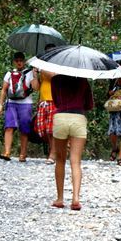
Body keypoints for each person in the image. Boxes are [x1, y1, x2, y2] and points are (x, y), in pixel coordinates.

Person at [45, 72, 93, 211]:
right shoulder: (83, 80)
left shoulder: (55, 80)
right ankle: (76, 199)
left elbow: (56, 102)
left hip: (61, 117)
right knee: (75, 161)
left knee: (60, 159)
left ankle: (60, 199)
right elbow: (89, 104)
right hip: (78, 118)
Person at [0, 52, 39, 162]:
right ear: (14, 62)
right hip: (11, 103)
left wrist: (35, 74)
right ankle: (7, 152)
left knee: (24, 129)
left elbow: (35, 88)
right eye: (17, 60)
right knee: (9, 127)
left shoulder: (30, 73)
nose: (19, 62)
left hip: (26, 104)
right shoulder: (9, 74)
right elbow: (4, 90)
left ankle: (23, 154)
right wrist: (0, 106)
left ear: (24, 61)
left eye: (21, 60)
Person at [35, 44, 57, 164]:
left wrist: (41, 68)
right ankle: (52, 151)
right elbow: (36, 87)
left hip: (54, 100)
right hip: (43, 100)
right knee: (43, 130)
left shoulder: (56, 65)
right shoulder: (42, 66)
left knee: (51, 130)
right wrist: (34, 74)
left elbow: (54, 77)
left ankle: (52, 154)